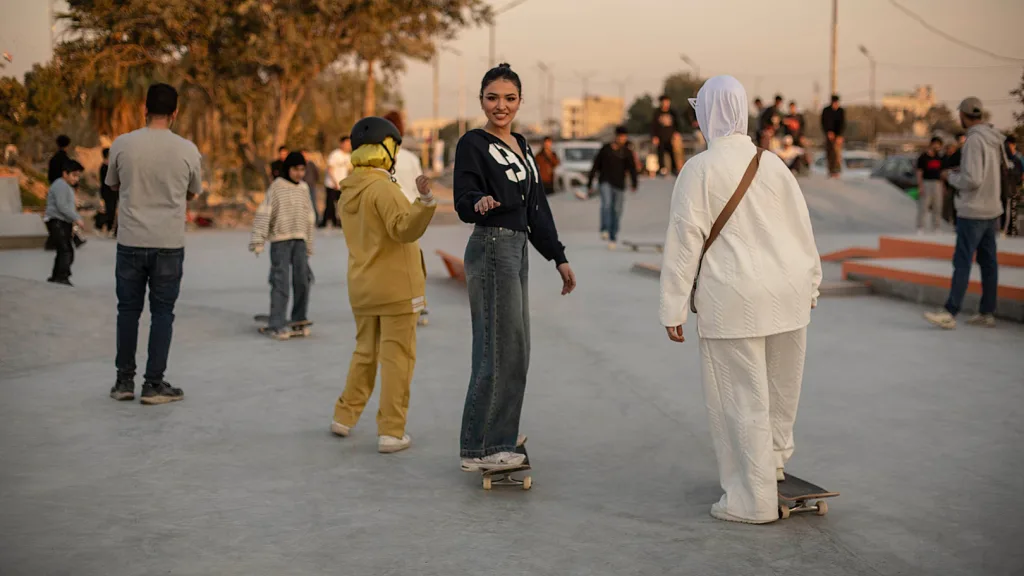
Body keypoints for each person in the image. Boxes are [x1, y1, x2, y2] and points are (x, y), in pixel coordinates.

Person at [659, 75, 821, 524]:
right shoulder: (772, 164)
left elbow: (684, 242)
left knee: (741, 397)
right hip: (787, 294)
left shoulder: (699, 169)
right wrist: (812, 284)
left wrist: (673, 306)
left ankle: (752, 501)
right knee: (780, 389)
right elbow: (801, 228)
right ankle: (774, 463)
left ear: (707, 114)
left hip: (733, 299)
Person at [453, 63, 577, 471]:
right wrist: (478, 203)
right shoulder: (473, 142)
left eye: (509, 98)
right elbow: (464, 194)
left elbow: (535, 208)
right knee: (498, 348)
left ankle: (488, 438)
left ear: (520, 101)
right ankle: (489, 447)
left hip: (516, 248)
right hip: (490, 245)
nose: (500, 106)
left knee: (516, 350)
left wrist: (558, 256)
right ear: (481, 101)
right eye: (492, 98)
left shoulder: (523, 145)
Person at [330, 116, 437, 454]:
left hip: (362, 286)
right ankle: (391, 430)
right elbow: (404, 229)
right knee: (397, 357)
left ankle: (344, 416)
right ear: (386, 149)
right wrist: (425, 202)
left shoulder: (348, 190)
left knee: (365, 352)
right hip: (396, 289)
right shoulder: (383, 188)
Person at [105, 83, 203, 405]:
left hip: (131, 240)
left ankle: (123, 382)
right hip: (168, 243)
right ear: (175, 113)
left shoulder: (123, 143)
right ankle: (154, 384)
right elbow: (192, 192)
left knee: (127, 311)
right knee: (162, 313)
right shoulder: (188, 149)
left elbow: (113, 185)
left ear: (144, 108)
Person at [924, 97, 1005, 330]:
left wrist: (949, 177)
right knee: (989, 263)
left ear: (964, 116)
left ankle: (950, 312)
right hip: (992, 209)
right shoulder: (994, 138)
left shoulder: (973, 141)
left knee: (962, 262)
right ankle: (987, 312)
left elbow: (972, 179)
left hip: (973, 211)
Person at [249, 151, 316, 339]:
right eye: (296, 169)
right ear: (288, 169)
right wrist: (258, 240)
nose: (299, 174)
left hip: (300, 240)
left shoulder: (304, 188)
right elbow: (265, 213)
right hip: (281, 241)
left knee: (303, 279)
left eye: (302, 170)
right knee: (281, 282)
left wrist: (309, 244)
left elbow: (309, 217)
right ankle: (276, 322)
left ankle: (298, 318)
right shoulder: (277, 186)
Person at [382, 109, 430, 326]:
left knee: (389, 262)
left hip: (387, 215)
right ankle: (419, 306)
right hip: (410, 214)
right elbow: (421, 188)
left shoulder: (381, 158)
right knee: (413, 262)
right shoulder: (410, 158)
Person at [588, 125, 638, 249]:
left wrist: (634, 183)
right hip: (605, 181)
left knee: (617, 210)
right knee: (606, 204)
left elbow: (632, 168)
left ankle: (613, 236)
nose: (622, 140)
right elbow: (595, 165)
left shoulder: (626, 152)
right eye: (620, 137)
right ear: (616, 136)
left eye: (624, 138)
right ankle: (604, 228)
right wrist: (589, 183)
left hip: (620, 184)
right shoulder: (605, 149)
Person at [44, 159, 85, 286]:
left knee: (63, 250)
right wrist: (76, 218)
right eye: (74, 175)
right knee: (66, 250)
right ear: (65, 174)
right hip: (57, 221)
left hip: (61, 222)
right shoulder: (60, 185)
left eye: (78, 176)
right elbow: (62, 206)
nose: (76, 179)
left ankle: (56, 275)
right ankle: (62, 276)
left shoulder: (64, 186)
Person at [916, 137, 946, 233]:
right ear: (932, 144)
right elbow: (919, 172)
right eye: (936, 144)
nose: (937, 147)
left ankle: (936, 227)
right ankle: (920, 227)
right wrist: (920, 186)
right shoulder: (923, 157)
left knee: (938, 206)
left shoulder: (939, 157)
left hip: (937, 183)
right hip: (926, 182)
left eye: (939, 145)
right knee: (924, 206)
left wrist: (943, 185)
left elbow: (942, 173)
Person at [322, 135, 352, 228]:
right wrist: (334, 182)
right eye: (346, 144)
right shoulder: (335, 154)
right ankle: (327, 221)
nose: (348, 146)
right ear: (341, 144)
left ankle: (339, 221)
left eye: (349, 144)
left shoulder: (348, 156)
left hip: (342, 185)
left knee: (342, 204)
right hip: (332, 184)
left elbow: (350, 169)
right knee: (330, 204)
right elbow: (330, 169)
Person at [651, 94, 683, 176]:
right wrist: (654, 136)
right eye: (664, 102)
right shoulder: (657, 113)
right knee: (660, 153)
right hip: (661, 137)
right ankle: (662, 169)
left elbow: (677, 124)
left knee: (672, 153)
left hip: (671, 137)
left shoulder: (672, 112)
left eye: (667, 102)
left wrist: (677, 133)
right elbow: (653, 125)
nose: (666, 103)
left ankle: (674, 169)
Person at [942, 133, 966, 224]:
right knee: (951, 204)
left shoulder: (963, 153)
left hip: (960, 184)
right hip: (951, 184)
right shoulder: (950, 157)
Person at [821, 95, 846, 178]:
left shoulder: (841, 111)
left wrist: (839, 136)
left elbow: (843, 124)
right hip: (829, 135)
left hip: (838, 135)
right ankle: (831, 170)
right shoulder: (826, 111)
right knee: (830, 153)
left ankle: (837, 170)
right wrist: (828, 132)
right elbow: (823, 122)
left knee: (837, 153)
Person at [1002, 136, 1022, 236]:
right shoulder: (1003, 159)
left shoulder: (1018, 159)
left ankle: (1011, 230)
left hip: (1013, 188)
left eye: (1008, 145)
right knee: (1005, 210)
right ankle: (1006, 229)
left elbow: (1020, 174)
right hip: (1005, 188)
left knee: (1011, 210)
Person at [97, 148, 118, 237]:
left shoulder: (106, 166)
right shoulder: (105, 167)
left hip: (111, 192)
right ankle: (105, 226)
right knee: (110, 210)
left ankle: (108, 227)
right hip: (108, 192)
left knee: (111, 210)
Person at [303, 151, 320, 217]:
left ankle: (316, 219)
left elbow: (316, 174)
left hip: (311, 185)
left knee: (313, 202)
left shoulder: (311, 164)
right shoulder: (300, 165)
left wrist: (314, 182)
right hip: (302, 186)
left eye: (306, 155)